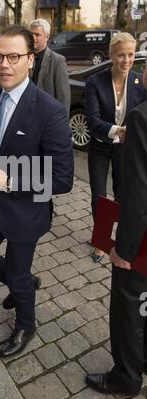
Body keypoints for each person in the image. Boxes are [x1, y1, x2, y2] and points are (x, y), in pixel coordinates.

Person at [0, 25, 74, 358]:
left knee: (16, 270)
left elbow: (63, 178)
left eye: (14, 56)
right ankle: (24, 284)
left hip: (27, 209)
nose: (4, 64)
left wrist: (12, 181)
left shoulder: (50, 111)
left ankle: (26, 323)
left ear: (31, 59)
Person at [86, 60, 147, 397]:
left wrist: (122, 250)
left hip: (142, 241)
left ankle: (126, 376)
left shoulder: (142, 117)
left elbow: (139, 192)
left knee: (128, 306)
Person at [86, 32, 147, 263]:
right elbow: (92, 120)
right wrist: (116, 130)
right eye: (121, 55)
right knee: (99, 195)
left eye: (131, 55)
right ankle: (100, 242)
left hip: (126, 150)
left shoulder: (140, 81)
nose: (127, 60)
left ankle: (123, 238)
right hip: (100, 146)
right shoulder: (96, 81)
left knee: (123, 194)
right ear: (111, 54)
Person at [29, 18, 70, 116]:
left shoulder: (58, 61)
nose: (33, 38)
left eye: (37, 35)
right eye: (31, 34)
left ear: (47, 37)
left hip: (46, 118)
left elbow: (63, 98)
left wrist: (61, 126)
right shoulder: (23, 57)